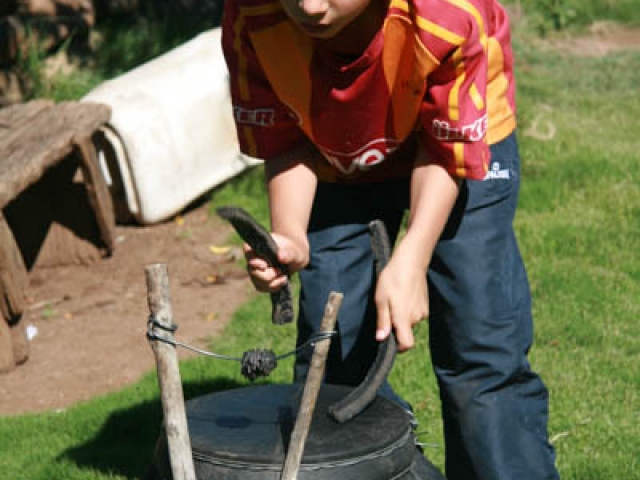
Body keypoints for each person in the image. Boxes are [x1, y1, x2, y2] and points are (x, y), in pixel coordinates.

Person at [221, 0, 560, 478]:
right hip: (333, 147)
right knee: (332, 351)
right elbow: (284, 138)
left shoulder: (449, 14)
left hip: (456, 144)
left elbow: (446, 152)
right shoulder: (254, 17)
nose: (308, 6)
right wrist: (291, 233)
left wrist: (412, 257)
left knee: (480, 347)